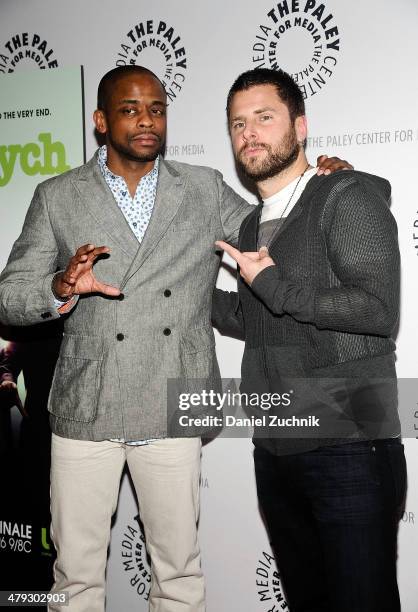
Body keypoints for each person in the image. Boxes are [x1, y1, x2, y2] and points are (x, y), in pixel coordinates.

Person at [0, 64, 349, 612]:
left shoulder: (203, 186)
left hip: (173, 400)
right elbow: (10, 296)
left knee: (179, 575)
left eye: (157, 109)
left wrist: (320, 184)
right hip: (87, 404)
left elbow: (275, 232)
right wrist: (59, 286)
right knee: (75, 577)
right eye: (130, 109)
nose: (147, 121)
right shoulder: (57, 195)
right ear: (100, 120)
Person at [212, 68, 406, 612]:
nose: (249, 132)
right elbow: (256, 318)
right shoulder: (250, 226)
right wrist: (182, 295)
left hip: (349, 449)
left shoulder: (344, 196)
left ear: (300, 126)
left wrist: (273, 284)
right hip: (275, 451)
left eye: (264, 118)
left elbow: (377, 310)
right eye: (237, 124)